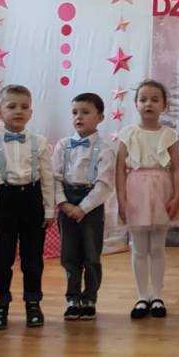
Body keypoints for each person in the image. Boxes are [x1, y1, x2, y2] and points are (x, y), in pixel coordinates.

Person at [0, 84, 55, 330]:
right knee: (1, 260)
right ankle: (0, 306)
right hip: (5, 202)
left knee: (33, 259)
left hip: (32, 200)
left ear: (31, 113)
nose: (18, 111)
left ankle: (33, 303)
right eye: (12, 106)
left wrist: (49, 209)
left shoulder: (39, 142)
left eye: (24, 107)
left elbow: (48, 178)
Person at [116, 80, 179, 319]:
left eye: (155, 99)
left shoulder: (169, 134)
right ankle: (142, 296)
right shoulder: (128, 133)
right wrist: (121, 200)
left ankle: (158, 296)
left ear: (164, 105)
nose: (148, 104)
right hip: (136, 191)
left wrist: (176, 196)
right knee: (139, 247)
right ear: (136, 104)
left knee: (157, 247)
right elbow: (119, 169)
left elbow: (176, 168)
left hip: (161, 190)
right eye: (143, 99)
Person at [53, 92, 115, 320]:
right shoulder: (63, 145)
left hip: (91, 203)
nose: (79, 117)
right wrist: (63, 203)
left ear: (100, 117)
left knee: (91, 254)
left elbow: (104, 184)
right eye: (75, 112)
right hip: (67, 201)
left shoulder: (105, 148)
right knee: (69, 254)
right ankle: (72, 298)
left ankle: (89, 298)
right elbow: (54, 177)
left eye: (85, 112)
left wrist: (83, 207)